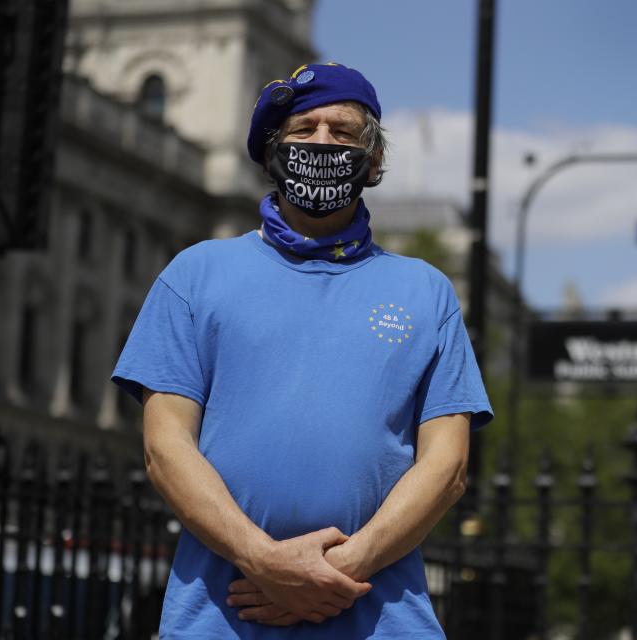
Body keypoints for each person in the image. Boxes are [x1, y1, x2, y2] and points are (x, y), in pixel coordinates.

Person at [112, 62, 493, 638]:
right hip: (220, 619)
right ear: (273, 155)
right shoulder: (195, 275)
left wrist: (334, 572)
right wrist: (264, 562)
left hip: (382, 620)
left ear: (375, 161)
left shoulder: (426, 291)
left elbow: (448, 466)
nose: (321, 142)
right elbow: (165, 448)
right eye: (303, 129)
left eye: (342, 132)